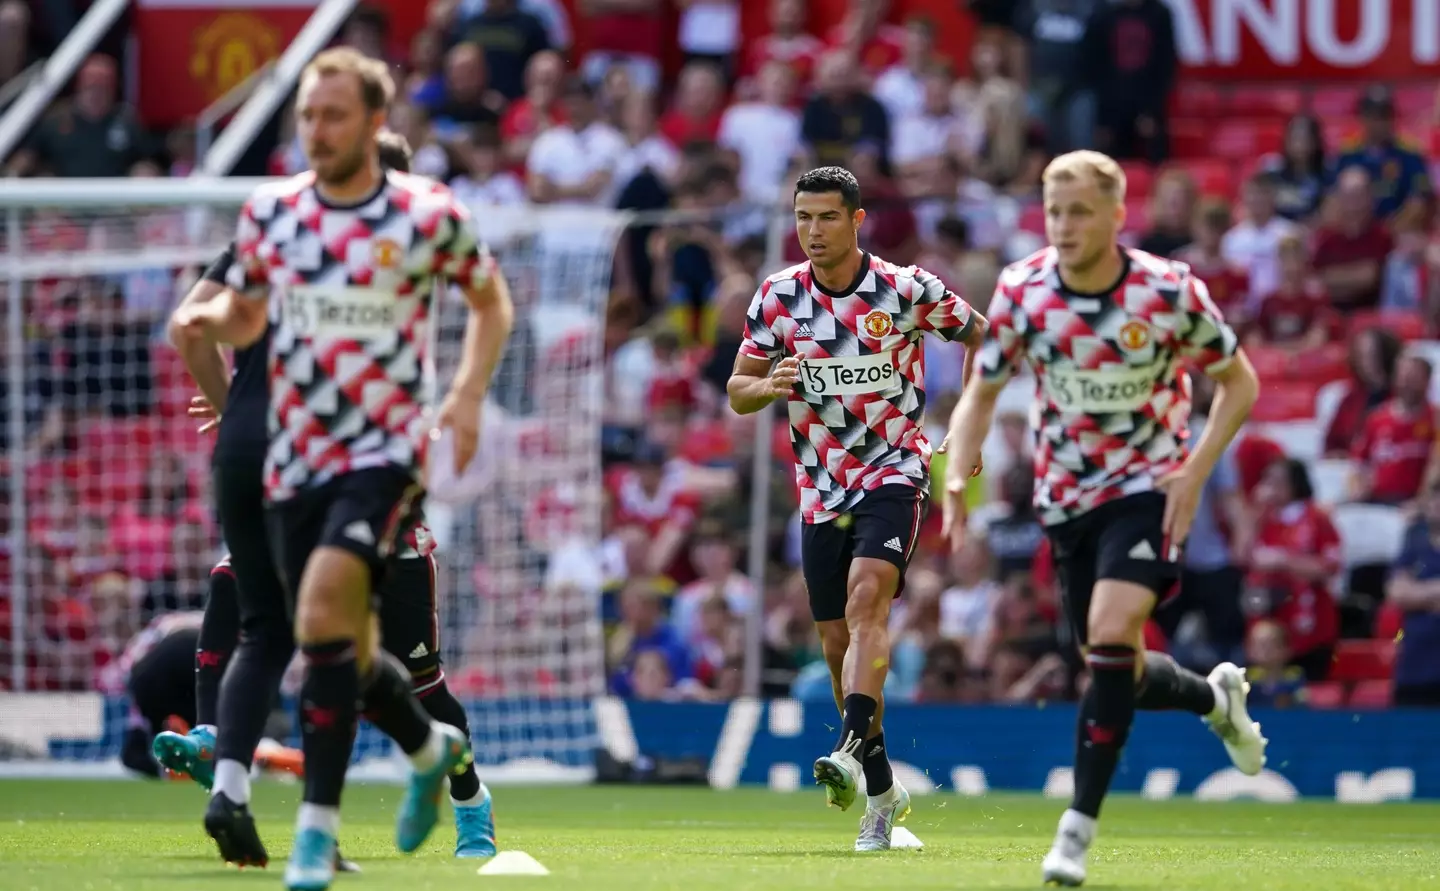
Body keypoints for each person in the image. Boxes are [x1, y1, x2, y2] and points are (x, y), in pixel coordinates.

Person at [171, 47, 514, 891]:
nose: (316, 132)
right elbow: (240, 307)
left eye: (332, 115)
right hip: (296, 453)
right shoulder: (272, 213)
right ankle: (432, 750)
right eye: (306, 118)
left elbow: (489, 301)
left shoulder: (428, 214)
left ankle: (315, 840)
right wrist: (215, 316)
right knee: (332, 643)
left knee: (318, 613)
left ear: (372, 121)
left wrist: (467, 395)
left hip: (382, 453)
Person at [938, 150, 1267, 887]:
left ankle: (1075, 831)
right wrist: (957, 467)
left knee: (1116, 634)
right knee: (1112, 666)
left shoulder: (1166, 290)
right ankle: (1216, 697)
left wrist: (1194, 468)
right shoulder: (1023, 291)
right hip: (1066, 501)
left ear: (1118, 215)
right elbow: (981, 395)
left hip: (1148, 488)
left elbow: (1238, 382)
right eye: (1054, 211)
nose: (1064, 225)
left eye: (1080, 211)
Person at [726, 165, 987, 851]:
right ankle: (881, 789)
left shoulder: (905, 290)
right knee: (837, 642)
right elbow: (737, 387)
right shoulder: (779, 297)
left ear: (857, 219)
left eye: (826, 217)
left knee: (867, 601)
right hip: (819, 489)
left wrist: (967, 430)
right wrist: (767, 384)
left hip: (895, 469)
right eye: (803, 218)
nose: (813, 231)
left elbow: (988, 338)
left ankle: (845, 749)